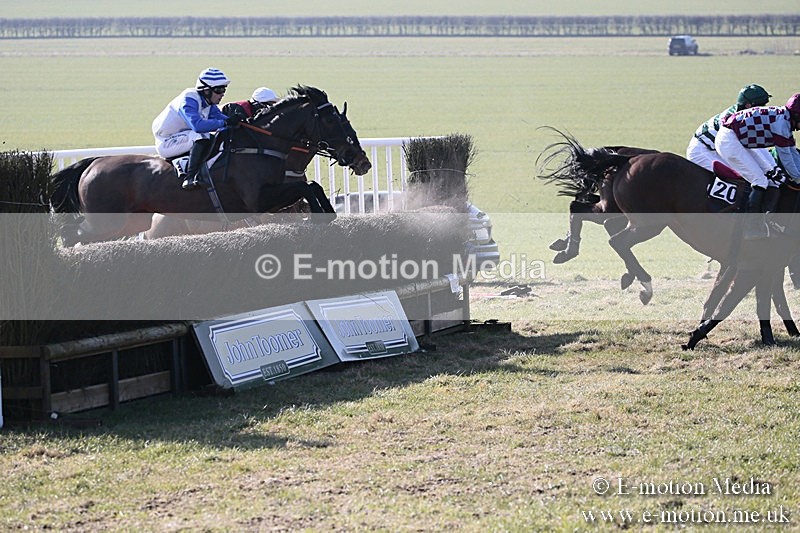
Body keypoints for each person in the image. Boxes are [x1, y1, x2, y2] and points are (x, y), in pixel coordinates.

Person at [716, 93, 800, 239]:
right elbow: (786, 157)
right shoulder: (781, 125)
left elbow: (793, 152)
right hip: (730, 140)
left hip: (740, 139)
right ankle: (751, 226)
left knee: (774, 176)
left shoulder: (785, 119)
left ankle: (766, 219)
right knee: (760, 180)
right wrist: (798, 178)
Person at [151, 67, 242, 191]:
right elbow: (198, 126)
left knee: (212, 136)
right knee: (202, 135)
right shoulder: (189, 99)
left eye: (224, 89)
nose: (222, 94)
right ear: (206, 90)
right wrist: (226, 122)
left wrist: (240, 122)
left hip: (183, 137)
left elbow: (222, 120)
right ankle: (190, 177)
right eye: (219, 90)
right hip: (166, 142)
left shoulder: (208, 103)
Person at [687, 84, 772, 172]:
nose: (763, 108)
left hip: (717, 149)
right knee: (738, 175)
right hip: (702, 152)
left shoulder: (743, 115)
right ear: (748, 105)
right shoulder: (735, 121)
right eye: (761, 105)